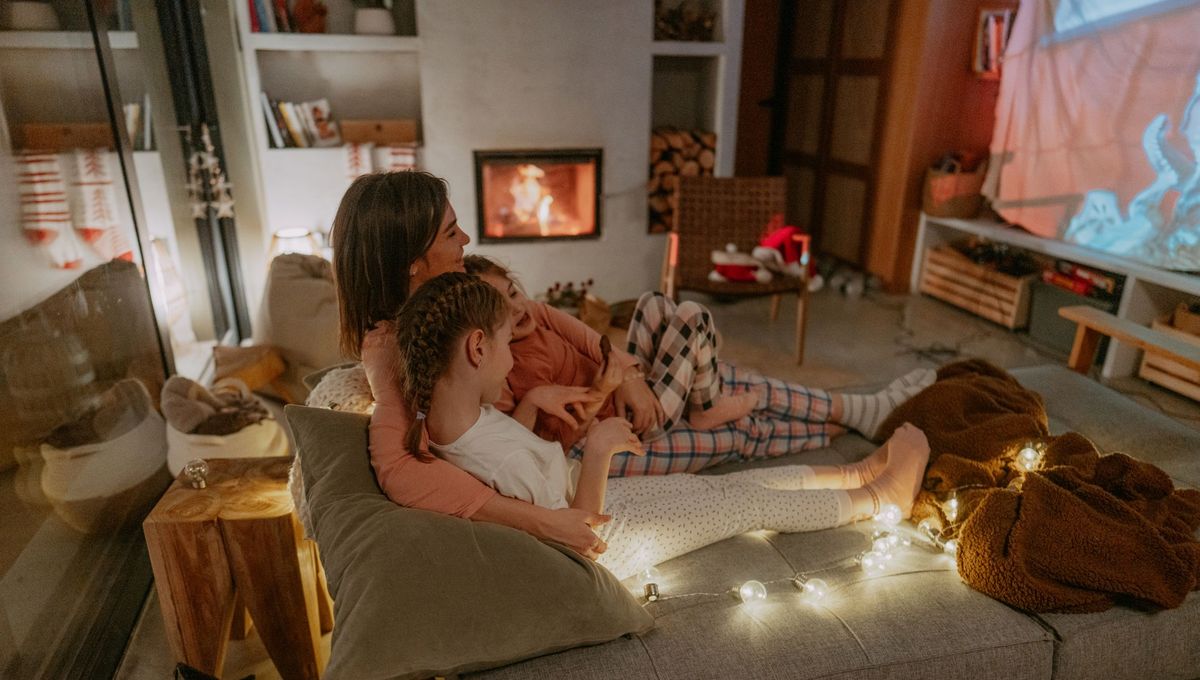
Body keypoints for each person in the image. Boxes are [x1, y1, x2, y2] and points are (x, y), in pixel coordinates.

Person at [395, 272, 932, 579]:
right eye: (507, 346)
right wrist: (601, 448)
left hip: (599, 501)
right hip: (613, 537)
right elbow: (579, 536)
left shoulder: (448, 421)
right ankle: (881, 499)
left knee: (720, 487)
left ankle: (854, 473)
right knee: (743, 505)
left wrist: (540, 407)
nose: (513, 361)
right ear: (476, 348)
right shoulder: (496, 455)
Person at [330, 171, 609, 559]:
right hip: (546, 471)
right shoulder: (389, 348)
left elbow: (533, 315)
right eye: (450, 233)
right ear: (412, 262)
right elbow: (399, 469)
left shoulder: (447, 306)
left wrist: (616, 366)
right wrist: (543, 521)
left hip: (545, 445)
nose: (465, 239)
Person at [464, 255, 934, 476]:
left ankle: (856, 411)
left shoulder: (541, 313)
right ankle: (705, 405)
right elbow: (564, 436)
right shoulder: (516, 366)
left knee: (651, 302)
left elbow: (599, 344)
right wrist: (610, 390)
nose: (517, 308)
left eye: (513, 292)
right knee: (691, 316)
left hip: (627, 395)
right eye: (501, 308)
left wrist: (627, 376)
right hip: (630, 426)